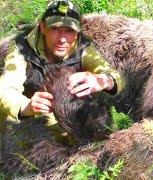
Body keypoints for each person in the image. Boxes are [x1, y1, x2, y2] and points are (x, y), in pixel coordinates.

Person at [0, 0, 124, 150]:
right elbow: (6, 89)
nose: (62, 39)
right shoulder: (21, 49)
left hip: (68, 119)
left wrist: (104, 80)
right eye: (55, 29)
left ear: (77, 32)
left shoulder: (82, 48)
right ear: (43, 27)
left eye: (69, 31)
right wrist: (26, 106)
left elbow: (113, 76)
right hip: (32, 118)